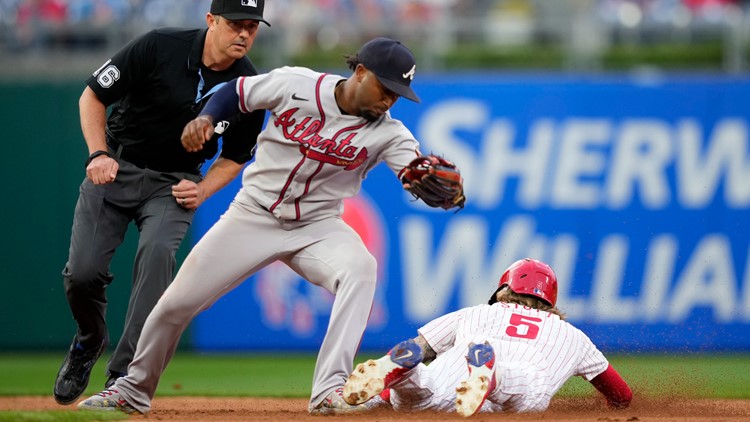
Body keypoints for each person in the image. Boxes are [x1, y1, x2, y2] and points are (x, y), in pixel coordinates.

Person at [77, 36, 463, 415]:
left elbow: (413, 167)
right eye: (386, 87)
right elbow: (236, 91)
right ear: (360, 72)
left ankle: (330, 391)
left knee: (361, 269)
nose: (390, 99)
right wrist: (209, 117)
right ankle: (131, 390)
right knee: (175, 304)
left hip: (319, 227)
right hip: (253, 216)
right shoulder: (297, 84)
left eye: (398, 94)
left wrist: (436, 185)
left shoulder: (390, 133)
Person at [54, 0, 270, 406]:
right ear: (211, 20)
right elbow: (92, 96)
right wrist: (98, 154)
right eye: (235, 24)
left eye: (252, 26)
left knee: (156, 260)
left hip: (175, 183)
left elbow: (237, 156)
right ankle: (88, 339)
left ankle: (124, 376)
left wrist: (204, 189)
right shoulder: (159, 45)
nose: (244, 33)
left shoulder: (248, 86)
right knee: (82, 274)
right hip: (117, 164)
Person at [342, 258, 633, 417]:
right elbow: (621, 395)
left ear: (503, 289)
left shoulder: (476, 312)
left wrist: (379, 399)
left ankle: (407, 379)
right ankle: (493, 377)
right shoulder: (573, 336)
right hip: (511, 380)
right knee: (527, 390)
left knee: (423, 391)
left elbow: (421, 349)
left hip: (453, 379)